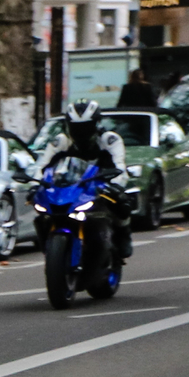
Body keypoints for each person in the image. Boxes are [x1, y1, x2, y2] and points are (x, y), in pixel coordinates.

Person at [41, 98, 132, 259]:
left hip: (100, 184)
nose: (81, 133)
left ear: (96, 124)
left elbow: (119, 166)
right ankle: (50, 242)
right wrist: (37, 184)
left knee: (121, 201)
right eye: (76, 128)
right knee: (41, 209)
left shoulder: (110, 140)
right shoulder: (61, 141)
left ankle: (123, 235)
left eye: (85, 128)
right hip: (70, 187)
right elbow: (43, 165)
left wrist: (116, 184)